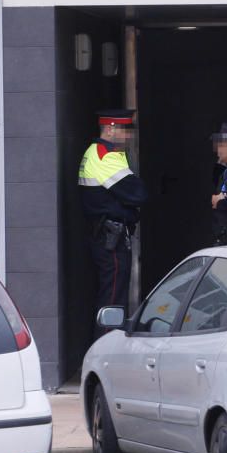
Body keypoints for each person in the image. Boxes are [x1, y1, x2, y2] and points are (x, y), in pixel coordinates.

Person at [78, 109, 148, 316]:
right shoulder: (104, 156)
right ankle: (107, 342)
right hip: (109, 237)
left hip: (108, 234)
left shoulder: (105, 153)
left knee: (113, 294)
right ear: (110, 129)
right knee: (113, 300)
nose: (129, 135)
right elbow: (138, 194)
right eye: (125, 130)